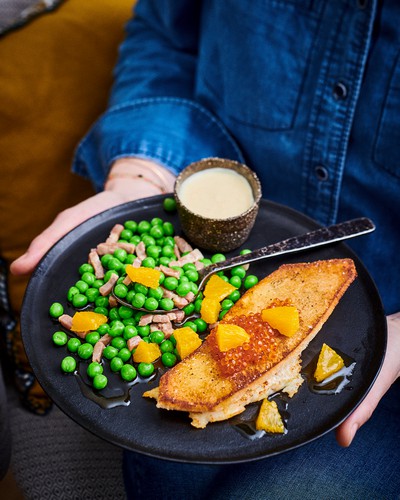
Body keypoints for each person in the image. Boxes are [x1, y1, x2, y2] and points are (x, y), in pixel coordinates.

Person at [10, 0, 400, 498]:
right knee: (164, 477)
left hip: (386, 338)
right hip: (204, 228)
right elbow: (166, 37)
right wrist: (144, 174)